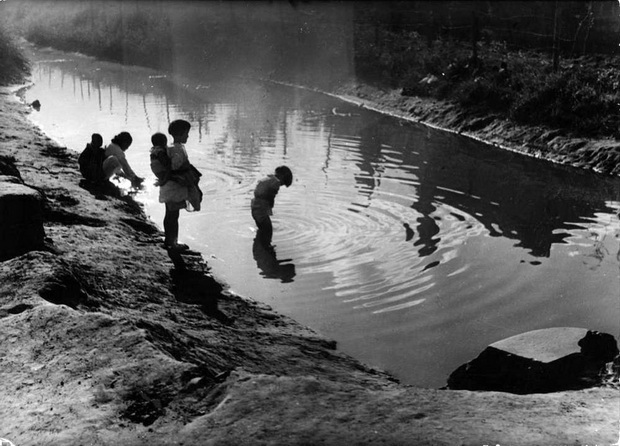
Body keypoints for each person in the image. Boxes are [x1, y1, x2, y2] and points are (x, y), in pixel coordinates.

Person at [158, 119, 202, 251]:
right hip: (174, 188)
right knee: (174, 215)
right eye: (186, 134)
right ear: (179, 134)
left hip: (169, 186)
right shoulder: (178, 149)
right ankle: (173, 243)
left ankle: (168, 240)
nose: (188, 136)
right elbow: (175, 166)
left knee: (169, 213)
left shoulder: (171, 147)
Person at [251, 165, 293, 247]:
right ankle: (266, 247)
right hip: (261, 210)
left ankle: (261, 246)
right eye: (283, 183)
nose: (281, 185)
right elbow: (270, 196)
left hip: (255, 207)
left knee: (262, 230)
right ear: (282, 177)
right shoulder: (276, 182)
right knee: (268, 231)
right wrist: (270, 205)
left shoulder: (268, 179)